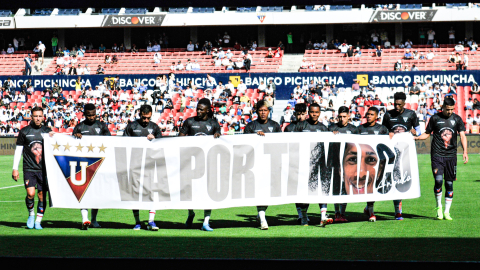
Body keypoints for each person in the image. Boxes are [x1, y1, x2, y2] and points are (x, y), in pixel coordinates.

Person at [415, 98, 468, 220]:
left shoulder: (457, 119)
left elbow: (463, 136)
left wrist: (465, 151)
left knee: (449, 183)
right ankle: (438, 207)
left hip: (451, 156)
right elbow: (427, 133)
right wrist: (416, 138)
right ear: (442, 107)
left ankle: (447, 211)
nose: (449, 112)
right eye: (447, 109)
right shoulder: (435, 118)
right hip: (437, 155)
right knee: (438, 181)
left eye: (451, 109)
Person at [179, 98, 221, 232]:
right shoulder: (189, 121)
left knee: (209, 193)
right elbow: (179, 138)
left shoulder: (213, 123)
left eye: (201, 109)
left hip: (208, 164)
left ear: (208, 110)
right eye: (197, 108)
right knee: (189, 192)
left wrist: (217, 135)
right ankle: (190, 213)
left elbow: (220, 139)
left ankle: (206, 222)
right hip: (191, 163)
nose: (198, 111)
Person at [12, 107, 54, 230]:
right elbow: (18, 150)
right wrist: (15, 168)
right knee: (30, 194)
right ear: (31, 117)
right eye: (35, 116)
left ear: (43, 117)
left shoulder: (47, 131)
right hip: (29, 168)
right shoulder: (24, 131)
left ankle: (38, 221)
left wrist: (54, 136)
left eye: (40, 116)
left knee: (41, 195)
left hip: (44, 170)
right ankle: (31, 215)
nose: (37, 118)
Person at [123, 105, 163, 231]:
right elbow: (123, 143)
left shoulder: (154, 127)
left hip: (150, 165)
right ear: (139, 114)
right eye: (144, 117)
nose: (146, 120)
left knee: (152, 192)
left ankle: (151, 221)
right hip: (134, 165)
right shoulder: (131, 126)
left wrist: (155, 139)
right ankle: (137, 222)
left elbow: (162, 145)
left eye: (148, 118)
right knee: (135, 194)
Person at [382, 92, 420, 220]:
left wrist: (415, 132)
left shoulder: (411, 114)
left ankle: (398, 211)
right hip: (391, 153)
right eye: (395, 104)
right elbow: (382, 131)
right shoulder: (387, 115)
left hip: (405, 153)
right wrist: (389, 133)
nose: (397, 106)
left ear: (404, 103)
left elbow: (419, 131)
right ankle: (372, 208)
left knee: (400, 180)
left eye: (399, 104)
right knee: (390, 180)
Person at [292, 103, 333, 227]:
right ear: (308, 112)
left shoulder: (324, 128)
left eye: (316, 112)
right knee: (304, 192)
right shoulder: (300, 126)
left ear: (320, 113)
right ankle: (303, 217)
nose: (314, 114)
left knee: (322, 189)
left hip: (319, 165)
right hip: (303, 164)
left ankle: (323, 217)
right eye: (312, 112)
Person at [72, 104, 111, 229]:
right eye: (89, 115)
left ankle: (94, 219)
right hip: (83, 164)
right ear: (84, 114)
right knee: (83, 191)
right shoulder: (79, 127)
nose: (91, 117)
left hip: (99, 164)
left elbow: (110, 142)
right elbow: (71, 145)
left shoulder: (102, 126)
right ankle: (85, 219)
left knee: (96, 193)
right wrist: (75, 138)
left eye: (93, 114)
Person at [244, 100, 282, 230]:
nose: (263, 113)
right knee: (260, 191)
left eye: (265, 110)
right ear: (257, 112)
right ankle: (262, 218)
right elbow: (245, 146)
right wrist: (255, 137)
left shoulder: (275, 126)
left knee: (269, 192)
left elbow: (281, 144)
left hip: (272, 164)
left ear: (269, 111)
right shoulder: (250, 127)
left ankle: (261, 213)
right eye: (260, 110)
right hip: (256, 165)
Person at [328, 106, 359, 223]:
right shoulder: (331, 128)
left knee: (345, 187)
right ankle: (336, 212)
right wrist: (331, 135)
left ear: (349, 116)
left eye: (344, 117)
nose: (342, 119)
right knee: (336, 187)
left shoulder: (354, 130)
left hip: (348, 163)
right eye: (340, 117)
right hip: (335, 162)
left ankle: (343, 212)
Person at [358, 107, 389, 222]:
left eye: (371, 114)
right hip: (363, 163)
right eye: (368, 114)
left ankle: (369, 209)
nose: (369, 116)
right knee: (368, 185)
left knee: (373, 186)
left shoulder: (382, 129)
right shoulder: (360, 129)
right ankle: (370, 211)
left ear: (376, 117)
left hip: (378, 163)